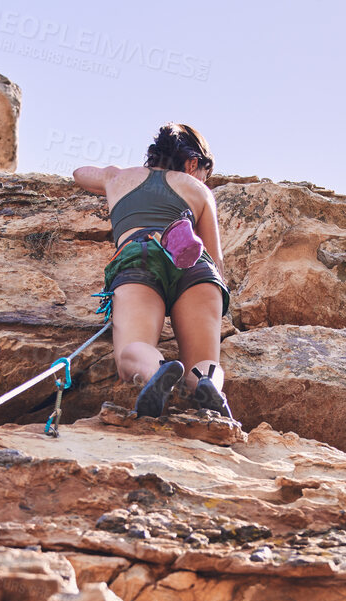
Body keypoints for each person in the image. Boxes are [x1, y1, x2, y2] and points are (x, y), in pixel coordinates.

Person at [72, 123, 233, 418]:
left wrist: (111, 174)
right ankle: (208, 384)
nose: (202, 180)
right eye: (203, 173)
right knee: (204, 363)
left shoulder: (118, 177)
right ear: (193, 162)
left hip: (140, 257)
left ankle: (157, 370)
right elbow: (215, 257)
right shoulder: (198, 190)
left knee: (131, 349)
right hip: (197, 268)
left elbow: (80, 173)